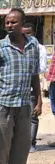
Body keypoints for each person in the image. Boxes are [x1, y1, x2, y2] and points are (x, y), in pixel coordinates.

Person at [0, 8, 42, 164]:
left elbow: (35, 74)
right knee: (1, 150)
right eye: (7, 23)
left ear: (22, 24)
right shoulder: (0, 47)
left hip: (25, 105)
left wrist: (39, 101)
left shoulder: (33, 45)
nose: (9, 25)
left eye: (13, 22)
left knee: (21, 149)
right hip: (4, 105)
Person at [21, 23, 48, 152]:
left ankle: (31, 144)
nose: (26, 35)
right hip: (17, 90)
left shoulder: (40, 48)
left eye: (28, 33)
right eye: (23, 32)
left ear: (33, 33)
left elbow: (42, 68)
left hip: (31, 88)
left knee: (32, 117)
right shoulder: (14, 46)